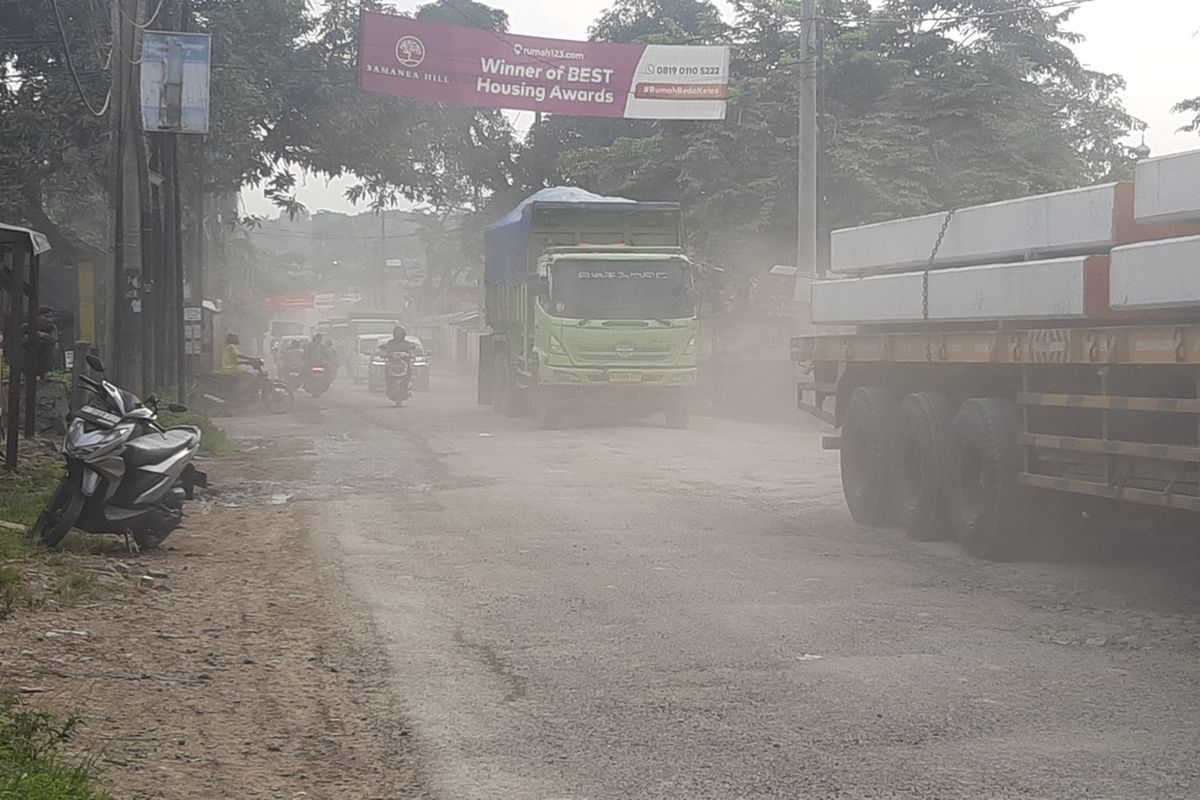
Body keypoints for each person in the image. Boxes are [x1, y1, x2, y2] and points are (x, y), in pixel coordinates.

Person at [23, 306, 59, 379]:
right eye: (46, 317)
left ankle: (46, 372)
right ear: (38, 317)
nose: (49, 320)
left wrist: (42, 335)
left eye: (51, 317)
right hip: (29, 355)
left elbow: (54, 340)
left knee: (55, 346)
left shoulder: (52, 328)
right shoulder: (27, 327)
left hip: (44, 355)